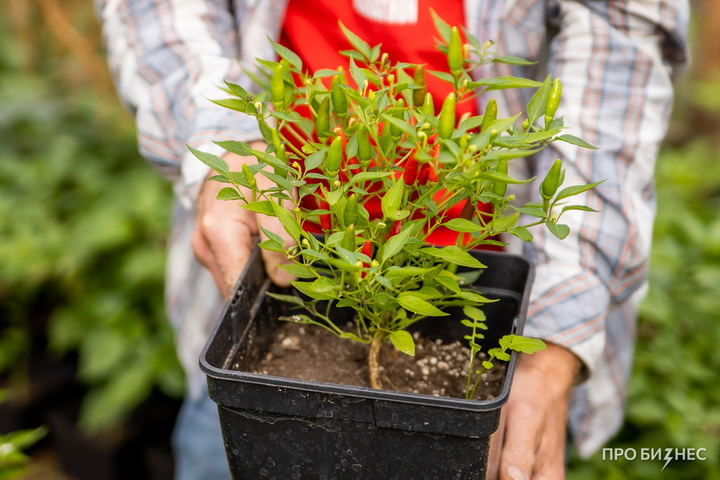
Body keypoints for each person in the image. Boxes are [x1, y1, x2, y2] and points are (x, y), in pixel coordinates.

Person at [95, 0, 688, 478]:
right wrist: (228, 154)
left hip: (485, 283)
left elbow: (620, 53)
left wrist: (552, 345)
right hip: (274, 281)